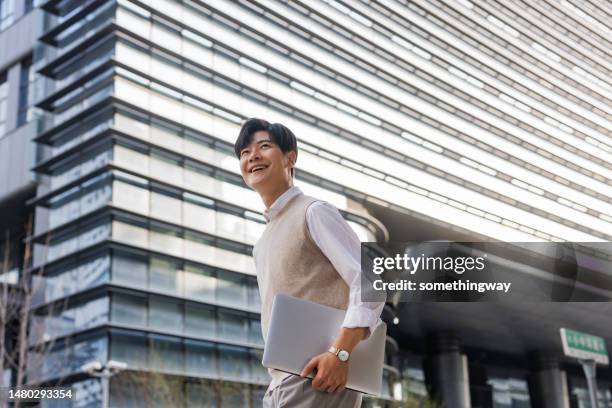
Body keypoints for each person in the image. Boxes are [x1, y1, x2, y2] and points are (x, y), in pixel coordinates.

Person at [234, 118, 385, 407]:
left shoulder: (314, 212)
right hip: (281, 381)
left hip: (319, 375)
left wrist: (339, 354)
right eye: (244, 153)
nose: (252, 156)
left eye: (264, 146)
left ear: (290, 157)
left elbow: (370, 285)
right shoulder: (263, 242)